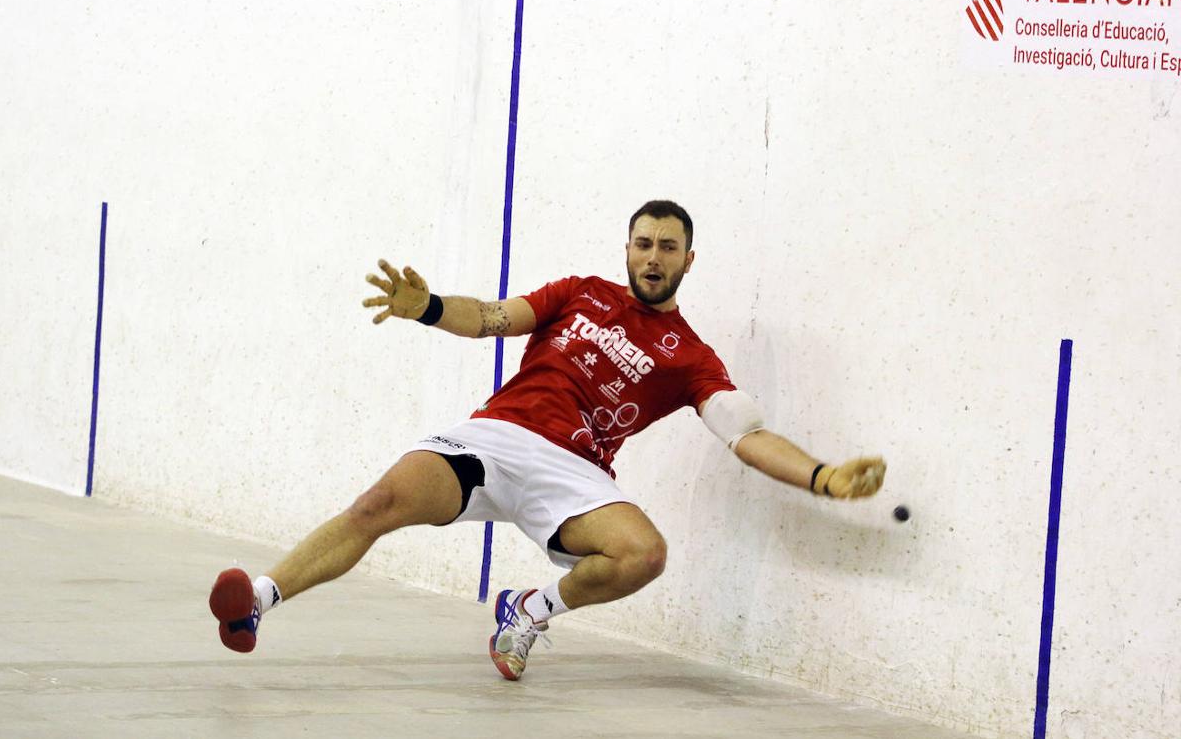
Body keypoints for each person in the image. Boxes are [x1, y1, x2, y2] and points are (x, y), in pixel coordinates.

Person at [208, 200, 886, 680]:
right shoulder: (579, 293)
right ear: (627, 249)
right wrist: (431, 308)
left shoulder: (691, 358)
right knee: (378, 503)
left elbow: (747, 434)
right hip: (495, 438)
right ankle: (256, 607)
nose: (653, 257)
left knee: (644, 555)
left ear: (688, 259)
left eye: (668, 247)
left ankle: (530, 610)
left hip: (576, 472)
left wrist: (822, 477)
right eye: (643, 243)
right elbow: (493, 317)